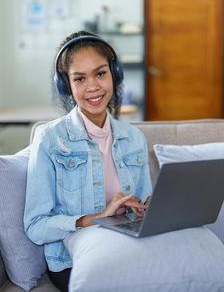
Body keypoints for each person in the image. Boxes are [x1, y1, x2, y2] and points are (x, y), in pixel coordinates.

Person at [24, 30, 152, 292]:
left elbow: (144, 206)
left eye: (101, 73)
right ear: (66, 85)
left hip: (126, 248)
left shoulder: (134, 138)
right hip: (73, 261)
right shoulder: (49, 139)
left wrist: (144, 209)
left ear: (114, 75)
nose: (93, 86)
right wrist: (96, 217)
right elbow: (36, 227)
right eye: (80, 78)